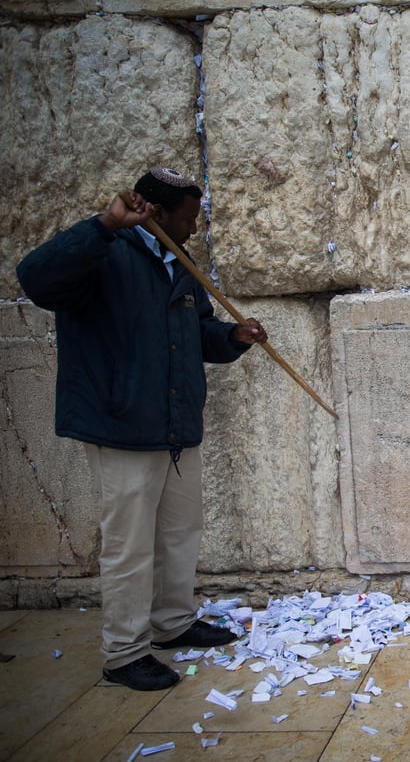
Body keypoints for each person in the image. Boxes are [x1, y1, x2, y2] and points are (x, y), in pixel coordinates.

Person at [16, 168, 268, 691]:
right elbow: (37, 279)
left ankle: (171, 623)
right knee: (129, 545)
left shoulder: (178, 261)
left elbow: (196, 333)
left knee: (180, 531)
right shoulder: (103, 251)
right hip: (121, 422)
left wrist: (234, 337)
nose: (195, 229)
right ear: (156, 212)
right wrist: (106, 223)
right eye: (189, 218)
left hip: (174, 423)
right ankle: (123, 653)